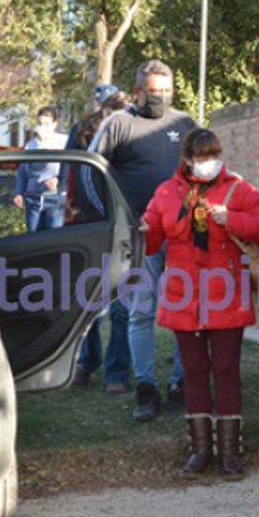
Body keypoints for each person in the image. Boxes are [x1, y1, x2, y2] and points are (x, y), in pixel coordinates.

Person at [140, 128, 259, 480]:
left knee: (227, 372)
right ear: (187, 159)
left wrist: (230, 218)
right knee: (195, 373)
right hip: (183, 295)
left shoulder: (238, 189)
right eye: (201, 158)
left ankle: (231, 453)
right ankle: (200, 450)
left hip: (225, 293)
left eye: (213, 155)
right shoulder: (166, 192)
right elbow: (153, 239)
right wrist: (144, 229)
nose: (208, 164)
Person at [91, 60, 195, 422]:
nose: (161, 98)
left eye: (167, 92)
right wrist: (115, 219)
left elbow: (206, 168)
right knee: (140, 312)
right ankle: (146, 388)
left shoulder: (184, 124)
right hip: (140, 235)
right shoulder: (119, 124)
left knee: (185, 311)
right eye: (154, 92)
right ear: (138, 91)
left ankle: (183, 383)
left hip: (182, 235)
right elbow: (91, 173)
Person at [72, 92, 133, 393]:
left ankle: (117, 372)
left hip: (122, 234)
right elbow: (80, 186)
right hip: (93, 231)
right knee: (91, 303)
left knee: (121, 307)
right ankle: (87, 360)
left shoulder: (133, 144)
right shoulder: (87, 138)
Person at [15, 105, 67, 232]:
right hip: (33, 199)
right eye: (39, 123)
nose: (42, 127)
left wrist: (58, 181)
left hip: (55, 198)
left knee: (54, 240)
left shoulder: (64, 142)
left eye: (46, 124)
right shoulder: (31, 144)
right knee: (33, 240)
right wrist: (18, 192)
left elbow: (71, 168)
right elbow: (23, 171)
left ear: (55, 124)